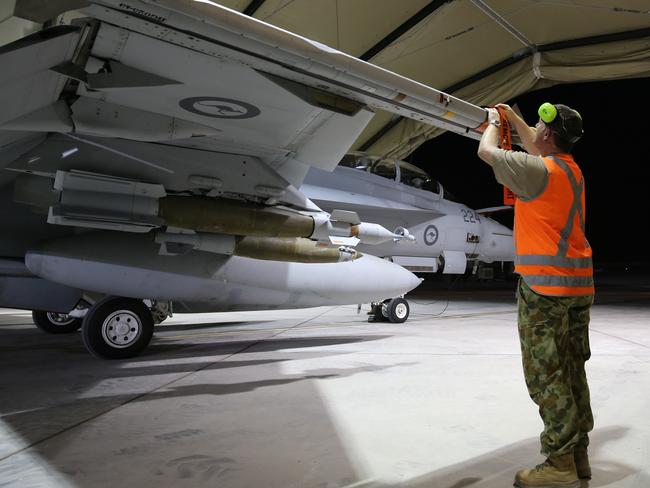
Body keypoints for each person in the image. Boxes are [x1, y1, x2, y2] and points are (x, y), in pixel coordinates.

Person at [477, 103, 594, 488]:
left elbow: (487, 152)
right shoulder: (569, 170)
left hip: (544, 289)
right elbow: (534, 141)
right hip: (577, 287)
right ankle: (578, 454)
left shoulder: (537, 170)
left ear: (548, 135)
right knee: (572, 368)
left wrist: (495, 124)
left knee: (546, 376)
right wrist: (512, 116)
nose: (535, 131)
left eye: (539, 127)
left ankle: (560, 463)